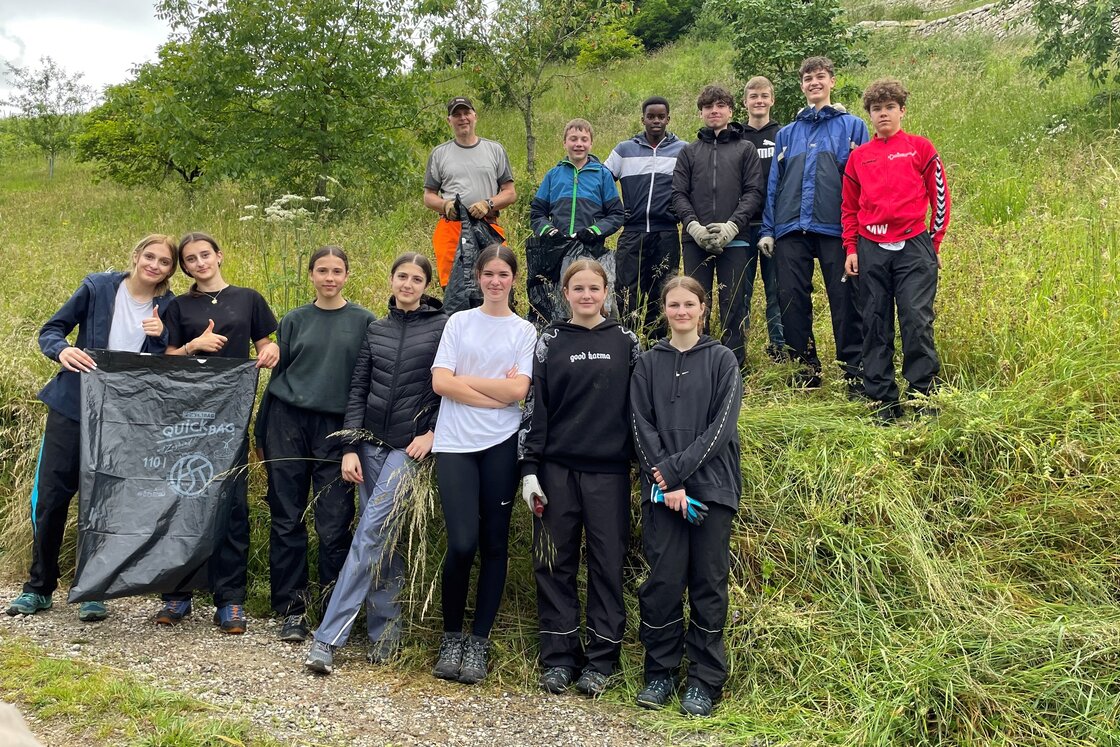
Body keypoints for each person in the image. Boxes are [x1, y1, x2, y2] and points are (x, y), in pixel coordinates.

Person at [6, 235, 178, 623]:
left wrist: (160, 336)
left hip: (122, 416)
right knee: (51, 499)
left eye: (164, 261)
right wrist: (62, 350)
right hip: (73, 406)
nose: (154, 265)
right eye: (149, 256)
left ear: (170, 270)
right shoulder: (98, 287)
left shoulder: (167, 306)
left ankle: (93, 591)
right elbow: (52, 330)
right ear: (135, 256)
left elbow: (166, 364)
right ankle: (38, 588)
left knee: (103, 502)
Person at [303, 253, 447, 674]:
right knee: (381, 537)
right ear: (391, 280)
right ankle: (386, 635)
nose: (407, 284)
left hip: (410, 449)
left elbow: (446, 387)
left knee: (370, 534)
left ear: (426, 285)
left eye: (416, 279)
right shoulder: (376, 329)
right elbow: (358, 389)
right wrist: (350, 445)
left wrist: (432, 432)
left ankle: (327, 638)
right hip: (369, 447)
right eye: (402, 276)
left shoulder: (442, 327)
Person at [519, 258, 640, 697]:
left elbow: (639, 411)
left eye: (594, 288)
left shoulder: (627, 341)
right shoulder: (549, 340)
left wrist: (642, 467)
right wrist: (530, 470)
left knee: (607, 565)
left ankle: (602, 660)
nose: (586, 295)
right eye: (578, 289)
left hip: (608, 472)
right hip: (556, 470)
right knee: (553, 562)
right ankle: (558, 658)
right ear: (565, 293)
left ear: (605, 292)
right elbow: (536, 408)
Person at [155, 232, 279, 634]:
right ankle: (177, 592)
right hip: (185, 417)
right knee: (183, 497)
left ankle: (230, 600)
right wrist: (195, 344)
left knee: (231, 503)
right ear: (185, 266)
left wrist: (270, 350)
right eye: (190, 259)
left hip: (230, 416)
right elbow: (168, 359)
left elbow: (265, 345)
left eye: (205, 255)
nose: (199, 263)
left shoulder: (248, 298)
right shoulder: (178, 305)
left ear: (219, 256)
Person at [629, 276, 742, 718]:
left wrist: (676, 472)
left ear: (702, 309)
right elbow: (640, 423)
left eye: (689, 304)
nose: (681, 311)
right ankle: (660, 671)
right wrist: (666, 483)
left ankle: (704, 679)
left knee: (708, 584)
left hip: (712, 489)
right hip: (661, 493)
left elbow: (722, 427)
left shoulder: (723, 360)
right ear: (664, 309)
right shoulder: (647, 362)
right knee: (663, 581)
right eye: (673, 304)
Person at [429, 244, 536, 685]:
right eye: (488, 274)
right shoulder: (458, 321)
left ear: (514, 279)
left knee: (494, 543)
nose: (495, 281)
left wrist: (463, 384)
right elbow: (439, 382)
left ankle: (478, 641)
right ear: (477, 277)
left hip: (501, 443)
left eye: (503, 274)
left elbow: (520, 393)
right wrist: (493, 392)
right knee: (462, 543)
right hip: (455, 443)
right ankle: (450, 635)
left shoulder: (524, 330)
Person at [256, 247, 375, 642]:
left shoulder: (363, 322)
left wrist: (354, 440)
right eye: (322, 270)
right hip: (287, 420)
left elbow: (365, 384)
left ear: (346, 275)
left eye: (336, 270)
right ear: (311, 274)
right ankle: (292, 609)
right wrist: (262, 432)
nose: (329, 277)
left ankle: (332, 608)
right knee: (287, 517)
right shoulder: (294, 320)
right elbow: (277, 376)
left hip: (337, 426)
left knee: (334, 523)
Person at [842, 78, 951, 421]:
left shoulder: (920, 147)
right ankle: (883, 402)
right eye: (877, 109)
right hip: (870, 246)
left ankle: (923, 399)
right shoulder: (859, 157)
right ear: (870, 116)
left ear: (902, 110)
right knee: (875, 323)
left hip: (914, 246)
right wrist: (851, 248)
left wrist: (933, 243)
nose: (883, 114)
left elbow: (940, 197)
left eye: (890, 107)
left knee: (916, 320)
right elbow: (848, 208)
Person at [758, 56, 870, 392]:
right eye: (807, 78)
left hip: (836, 228)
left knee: (845, 299)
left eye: (820, 77)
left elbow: (864, 181)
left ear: (832, 81)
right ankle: (804, 372)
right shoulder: (788, 133)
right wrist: (767, 229)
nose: (813, 83)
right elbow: (774, 184)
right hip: (791, 228)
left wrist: (860, 231)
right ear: (802, 85)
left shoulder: (853, 126)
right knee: (791, 299)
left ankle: (855, 373)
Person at [671, 84, 764, 368]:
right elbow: (678, 194)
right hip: (695, 241)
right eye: (708, 106)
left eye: (720, 105)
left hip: (734, 240)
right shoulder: (689, 152)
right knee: (697, 303)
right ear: (701, 112)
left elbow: (754, 192)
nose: (714, 110)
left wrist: (732, 227)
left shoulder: (745, 148)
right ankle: (699, 362)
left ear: (731, 111)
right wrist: (694, 227)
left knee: (733, 303)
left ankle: (733, 367)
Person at [603, 97, 687, 340]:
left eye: (661, 116)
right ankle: (628, 339)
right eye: (651, 116)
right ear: (643, 119)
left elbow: (692, 186)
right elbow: (602, 180)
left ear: (668, 119)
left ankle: (657, 341)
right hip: (632, 231)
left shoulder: (683, 150)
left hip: (667, 232)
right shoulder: (624, 149)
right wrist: (616, 210)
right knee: (626, 288)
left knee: (662, 289)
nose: (656, 121)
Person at [529, 118, 625, 326]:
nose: (578, 144)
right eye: (573, 139)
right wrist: (548, 230)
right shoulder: (553, 175)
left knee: (600, 305)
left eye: (584, 139)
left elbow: (616, 214)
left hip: (591, 250)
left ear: (591, 144)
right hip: (556, 251)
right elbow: (537, 212)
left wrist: (595, 231)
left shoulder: (602, 175)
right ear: (564, 143)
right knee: (561, 304)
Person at [424, 96, 517, 288]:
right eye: (456, 114)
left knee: (495, 283)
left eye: (466, 113)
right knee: (453, 289)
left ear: (475, 116)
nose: (462, 118)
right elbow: (428, 196)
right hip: (452, 228)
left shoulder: (495, 150)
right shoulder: (439, 153)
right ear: (449, 120)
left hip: (487, 226)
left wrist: (487, 204)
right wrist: (445, 204)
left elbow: (509, 193)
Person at [740, 77, 786, 362]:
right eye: (753, 96)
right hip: (742, 226)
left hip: (775, 226)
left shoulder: (784, 134)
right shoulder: (735, 136)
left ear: (772, 100)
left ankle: (779, 348)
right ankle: (739, 350)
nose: (759, 101)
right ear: (744, 102)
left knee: (777, 292)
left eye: (764, 96)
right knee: (738, 293)